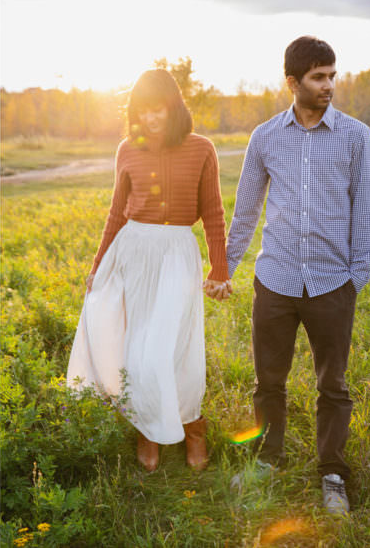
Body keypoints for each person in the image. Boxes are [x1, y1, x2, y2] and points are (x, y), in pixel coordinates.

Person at [226, 36, 370, 514]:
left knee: (333, 386)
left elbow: (367, 212)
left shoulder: (354, 136)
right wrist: (225, 268)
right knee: (268, 381)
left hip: (334, 283)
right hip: (276, 280)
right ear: (292, 82)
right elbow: (246, 210)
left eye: (332, 75)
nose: (328, 85)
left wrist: (357, 276)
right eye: (318, 77)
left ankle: (332, 472)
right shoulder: (265, 137)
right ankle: (268, 459)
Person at [66, 68, 231, 473]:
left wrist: (220, 269)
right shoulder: (126, 149)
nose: (150, 118)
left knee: (176, 346)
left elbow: (212, 212)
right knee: (137, 348)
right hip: (133, 253)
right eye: (142, 111)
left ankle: (193, 426)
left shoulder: (201, 148)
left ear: (175, 108)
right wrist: (97, 265)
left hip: (176, 253)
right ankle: (148, 428)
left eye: (158, 109)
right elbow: (115, 213)